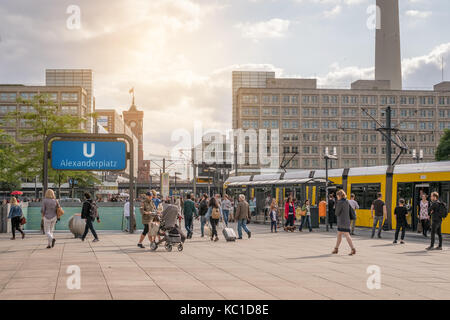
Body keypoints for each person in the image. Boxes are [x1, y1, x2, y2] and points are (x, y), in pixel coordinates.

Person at [332, 190, 356, 255]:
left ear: (339, 195)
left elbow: (337, 213)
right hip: (347, 220)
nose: (337, 197)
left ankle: (353, 249)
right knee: (339, 234)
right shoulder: (347, 201)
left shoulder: (340, 202)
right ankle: (336, 248)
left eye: (337, 196)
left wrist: (335, 207)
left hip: (341, 221)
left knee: (346, 235)